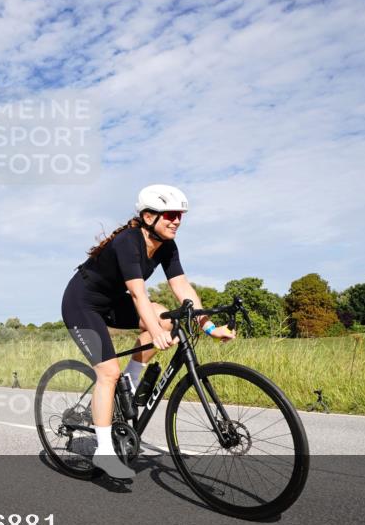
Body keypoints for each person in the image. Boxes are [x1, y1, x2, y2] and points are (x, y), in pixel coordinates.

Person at [61, 184, 237, 479]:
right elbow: (139, 295)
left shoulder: (167, 246)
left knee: (168, 318)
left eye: (180, 215)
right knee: (107, 372)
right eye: (170, 214)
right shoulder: (128, 242)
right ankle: (104, 452)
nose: (177, 220)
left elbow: (182, 288)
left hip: (114, 304)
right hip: (82, 304)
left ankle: (128, 386)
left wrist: (207, 327)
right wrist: (153, 330)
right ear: (147, 216)